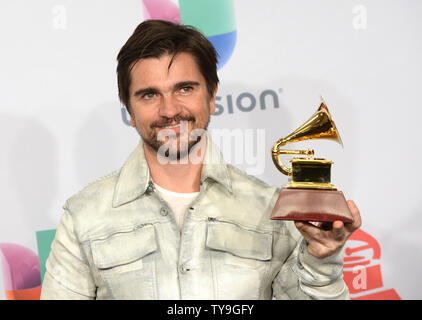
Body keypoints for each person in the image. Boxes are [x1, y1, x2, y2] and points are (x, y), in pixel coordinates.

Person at [40, 19, 361, 300]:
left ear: (212, 95)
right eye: (149, 94)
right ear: (129, 110)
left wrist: (321, 259)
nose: (169, 110)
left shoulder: (271, 210)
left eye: (184, 88)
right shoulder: (83, 217)